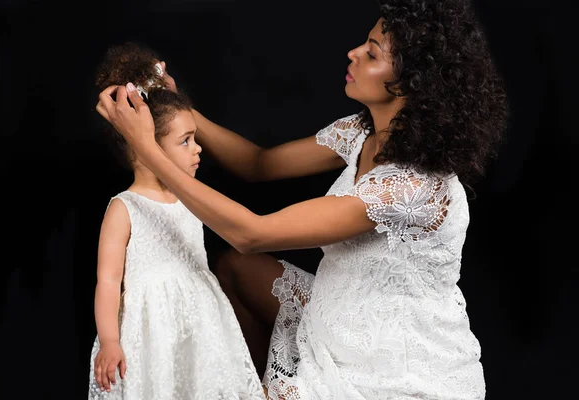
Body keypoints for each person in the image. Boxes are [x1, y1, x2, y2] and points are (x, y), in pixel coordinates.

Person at [95, 0, 508, 398]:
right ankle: (244, 384)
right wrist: (180, 104)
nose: (353, 53)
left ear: (408, 82)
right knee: (236, 270)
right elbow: (259, 164)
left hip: (386, 365)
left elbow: (252, 233)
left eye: (372, 54)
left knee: (243, 253)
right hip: (339, 306)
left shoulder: (411, 187)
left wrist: (149, 150)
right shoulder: (362, 132)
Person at [87, 42, 266, 400]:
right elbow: (108, 280)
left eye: (195, 138)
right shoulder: (125, 207)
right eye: (186, 141)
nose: (198, 148)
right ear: (143, 146)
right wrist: (109, 340)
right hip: (153, 331)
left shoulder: (190, 201)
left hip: (202, 323)